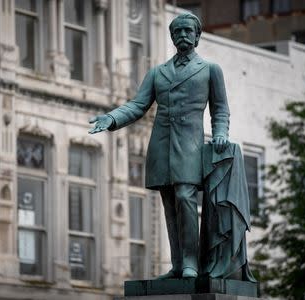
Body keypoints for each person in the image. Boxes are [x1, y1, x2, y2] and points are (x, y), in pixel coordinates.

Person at [89, 13, 229, 279]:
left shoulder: (210, 70)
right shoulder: (158, 72)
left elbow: (220, 110)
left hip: (189, 145)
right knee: (169, 202)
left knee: (186, 197)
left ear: (197, 36)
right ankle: (177, 264)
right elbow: (138, 105)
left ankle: (190, 262)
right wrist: (111, 118)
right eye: (177, 32)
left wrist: (221, 133)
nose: (182, 36)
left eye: (188, 31)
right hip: (161, 144)